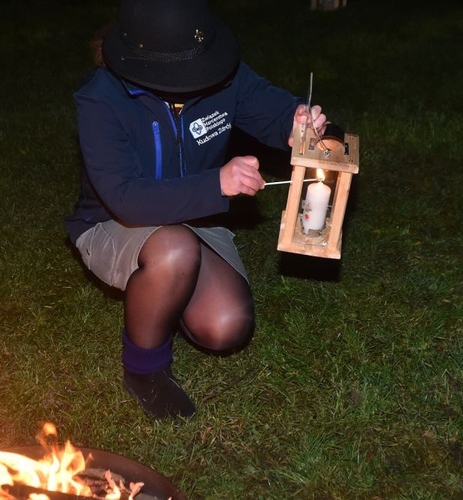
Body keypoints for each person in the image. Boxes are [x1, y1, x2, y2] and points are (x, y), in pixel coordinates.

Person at [64, 0, 327, 419]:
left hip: (196, 215)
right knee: (174, 250)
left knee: (225, 326)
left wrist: (295, 122)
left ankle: (167, 296)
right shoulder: (101, 100)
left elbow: (269, 108)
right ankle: (145, 372)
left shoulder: (219, 72)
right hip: (113, 221)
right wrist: (217, 183)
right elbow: (126, 198)